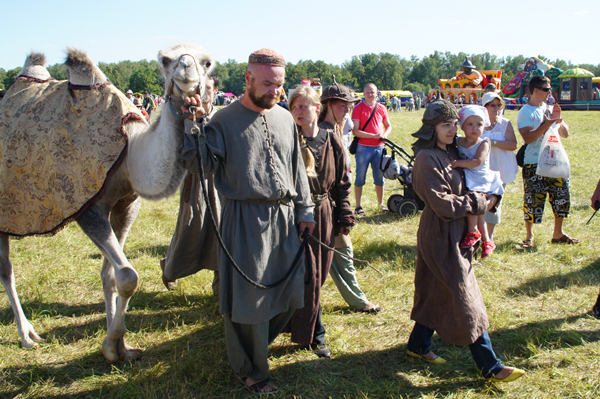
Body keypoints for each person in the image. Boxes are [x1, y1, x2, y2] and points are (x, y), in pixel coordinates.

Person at [180, 49, 315, 395]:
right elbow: (200, 164)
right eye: (268, 84)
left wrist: (305, 210)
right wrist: (192, 124)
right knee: (250, 298)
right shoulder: (224, 121)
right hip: (244, 219)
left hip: (285, 217)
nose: (275, 91)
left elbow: (297, 168)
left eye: (279, 85)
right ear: (248, 79)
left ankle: (257, 347)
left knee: (288, 291)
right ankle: (252, 370)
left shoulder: (286, 118)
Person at [406, 98, 524, 383]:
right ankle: (490, 365)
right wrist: (483, 201)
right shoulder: (426, 158)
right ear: (431, 127)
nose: (451, 129)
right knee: (464, 296)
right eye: (445, 124)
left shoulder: (456, 150)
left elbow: (479, 176)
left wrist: (487, 197)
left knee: (437, 288)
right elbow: (444, 205)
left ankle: (417, 345)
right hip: (439, 234)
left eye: (453, 124)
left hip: (459, 232)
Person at [287, 84, 355, 358]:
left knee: (320, 275)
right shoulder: (288, 139)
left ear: (318, 108)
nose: (298, 112)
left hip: (324, 212)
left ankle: (303, 326)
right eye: (294, 107)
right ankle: (315, 335)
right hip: (294, 216)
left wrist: (345, 213)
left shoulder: (331, 138)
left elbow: (342, 182)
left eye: (304, 106)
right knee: (308, 276)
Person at [319, 83, 382, 314]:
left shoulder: (335, 129)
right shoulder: (323, 133)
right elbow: (334, 179)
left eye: (349, 106)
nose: (347, 111)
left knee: (341, 255)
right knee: (342, 255)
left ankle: (358, 301)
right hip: (325, 207)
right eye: (341, 106)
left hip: (332, 206)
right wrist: (343, 210)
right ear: (327, 105)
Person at [160, 75, 221, 294]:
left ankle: (220, 286)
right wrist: (190, 120)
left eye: (209, 89)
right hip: (195, 180)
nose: (205, 93)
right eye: (201, 89)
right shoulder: (185, 116)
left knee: (222, 231)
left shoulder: (222, 116)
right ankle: (170, 267)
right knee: (191, 228)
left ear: (215, 91)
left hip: (219, 180)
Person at [517, 75, 578, 248]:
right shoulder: (525, 111)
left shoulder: (550, 108)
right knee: (532, 200)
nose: (549, 93)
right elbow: (528, 137)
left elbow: (565, 133)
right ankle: (529, 236)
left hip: (555, 161)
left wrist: (559, 121)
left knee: (561, 197)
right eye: (546, 89)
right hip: (533, 162)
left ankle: (558, 233)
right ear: (536, 90)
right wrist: (547, 122)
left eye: (550, 89)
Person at [452, 105, 504, 258]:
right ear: (462, 126)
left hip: (481, 178)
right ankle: (487, 240)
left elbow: (477, 161)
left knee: (475, 204)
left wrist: (456, 163)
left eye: (479, 124)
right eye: (470, 124)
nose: (475, 128)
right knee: (479, 210)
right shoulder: (458, 141)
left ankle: (472, 231)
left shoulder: (484, 142)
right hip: (469, 177)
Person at [481, 92, 518, 239]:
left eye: (499, 105)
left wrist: (493, 142)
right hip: (482, 169)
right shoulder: (478, 123)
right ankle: (478, 234)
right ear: (485, 107)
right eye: (493, 105)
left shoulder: (505, 123)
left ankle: (488, 237)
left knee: (494, 203)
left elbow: (512, 144)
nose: (496, 108)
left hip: (501, 169)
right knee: (481, 201)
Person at [351, 83, 392, 216]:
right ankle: (358, 206)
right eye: (367, 92)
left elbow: (388, 126)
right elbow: (356, 131)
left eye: (372, 92)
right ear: (363, 93)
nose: (370, 95)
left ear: (377, 93)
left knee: (380, 178)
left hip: (379, 148)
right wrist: (374, 136)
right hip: (363, 148)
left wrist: (384, 136)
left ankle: (380, 205)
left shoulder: (381, 108)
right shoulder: (358, 108)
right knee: (360, 178)